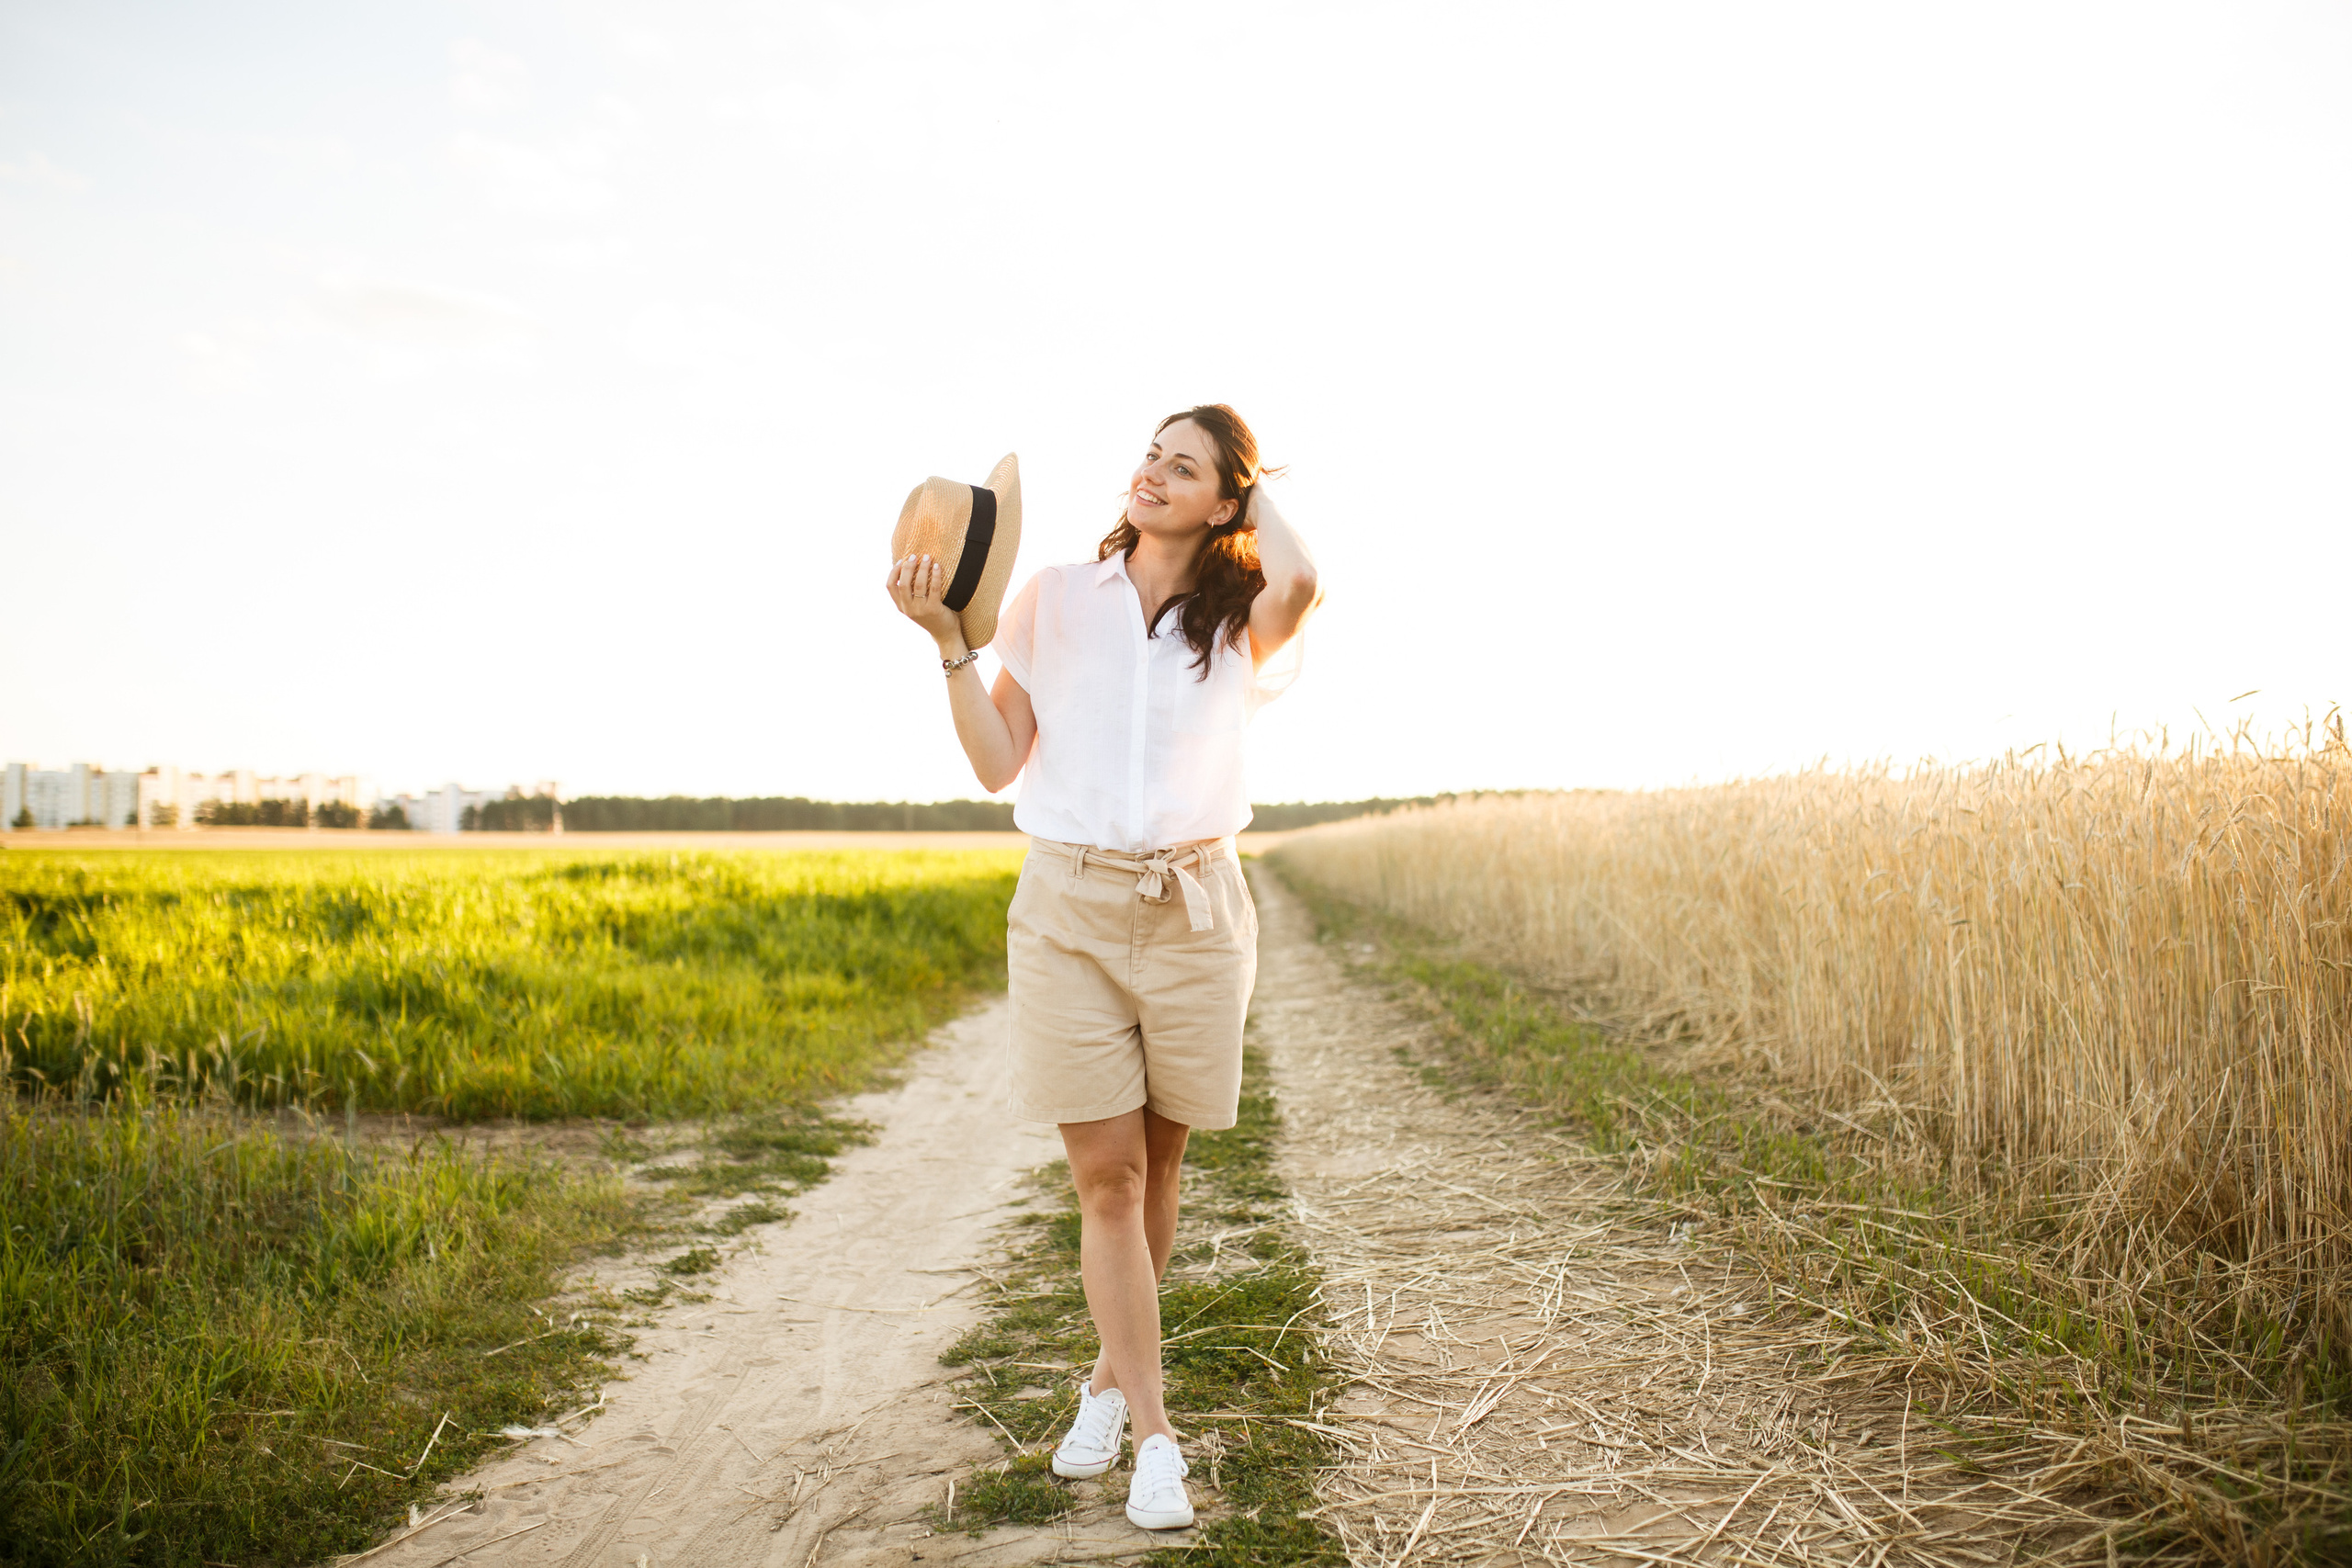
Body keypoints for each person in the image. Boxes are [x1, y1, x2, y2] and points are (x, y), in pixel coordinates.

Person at [884, 404, 1320, 1531]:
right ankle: (1156, 1437)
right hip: (1068, 905)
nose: (1152, 475)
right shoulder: (1055, 602)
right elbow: (995, 764)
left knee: (1160, 1171)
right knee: (1109, 1181)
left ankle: (1100, 1385)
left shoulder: (1239, 617)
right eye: (1148, 456)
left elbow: (1303, 576)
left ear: (1229, 500)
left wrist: (1245, 483)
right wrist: (950, 645)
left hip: (1195, 908)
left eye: (1184, 468)